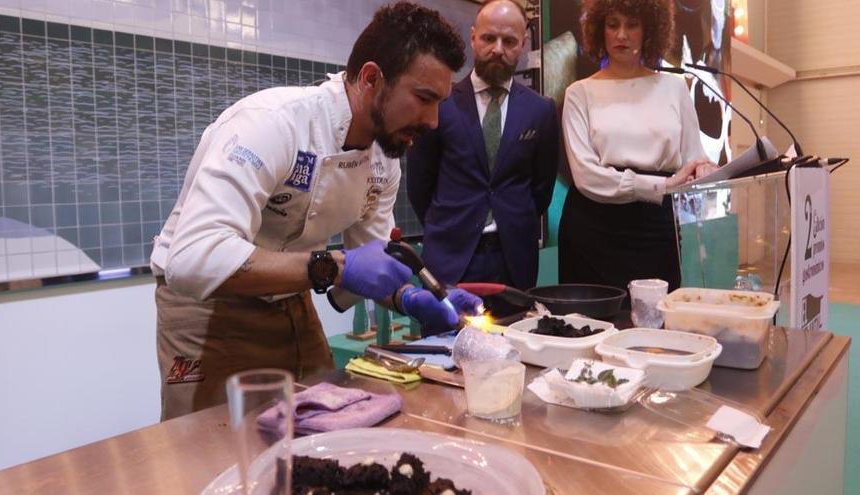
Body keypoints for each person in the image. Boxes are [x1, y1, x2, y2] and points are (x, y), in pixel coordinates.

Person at [150, 1, 479, 420]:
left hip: (293, 304)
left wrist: (412, 297)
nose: (434, 121)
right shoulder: (272, 125)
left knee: (328, 427)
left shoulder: (384, 159)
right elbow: (194, 257)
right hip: (208, 310)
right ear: (372, 78)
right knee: (212, 451)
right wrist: (333, 266)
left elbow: (372, 262)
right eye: (423, 98)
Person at [558, 0, 717, 295]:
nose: (622, 35)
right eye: (613, 24)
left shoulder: (674, 88)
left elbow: (694, 157)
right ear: (599, 29)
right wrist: (660, 185)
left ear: (649, 29)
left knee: (657, 327)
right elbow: (585, 176)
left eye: (632, 24)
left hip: (657, 228)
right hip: (592, 226)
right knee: (593, 326)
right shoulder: (579, 93)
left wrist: (705, 168)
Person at [407, 0, 559, 303]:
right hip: (450, 258)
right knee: (445, 346)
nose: (498, 49)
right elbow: (419, 185)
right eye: (489, 38)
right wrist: (449, 224)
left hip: (514, 259)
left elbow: (541, 190)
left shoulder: (541, 111)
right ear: (473, 37)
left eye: (510, 41)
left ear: (524, 44)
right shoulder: (440, 103)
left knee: (513, 348)